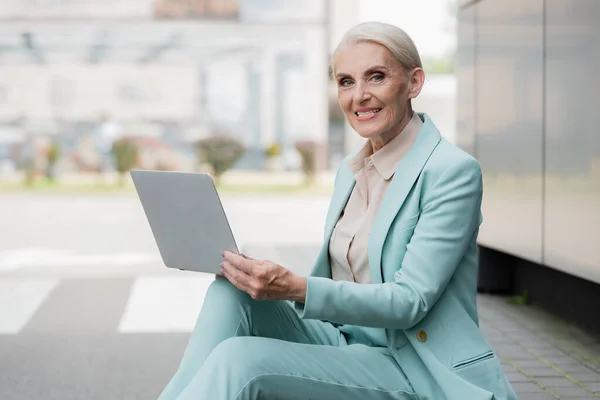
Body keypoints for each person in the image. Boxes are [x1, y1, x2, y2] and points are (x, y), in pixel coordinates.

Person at [157, 22, 518, 400]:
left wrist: (296, 287)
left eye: (375, 77)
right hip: (343, 340)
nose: (359, 96)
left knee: (243, 361)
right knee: (230, 292)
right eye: (346, 82)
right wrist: (261, 278)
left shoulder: (451, 172)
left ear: (414, 83)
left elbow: (410, 301)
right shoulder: (352, 169)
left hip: (411, 365)